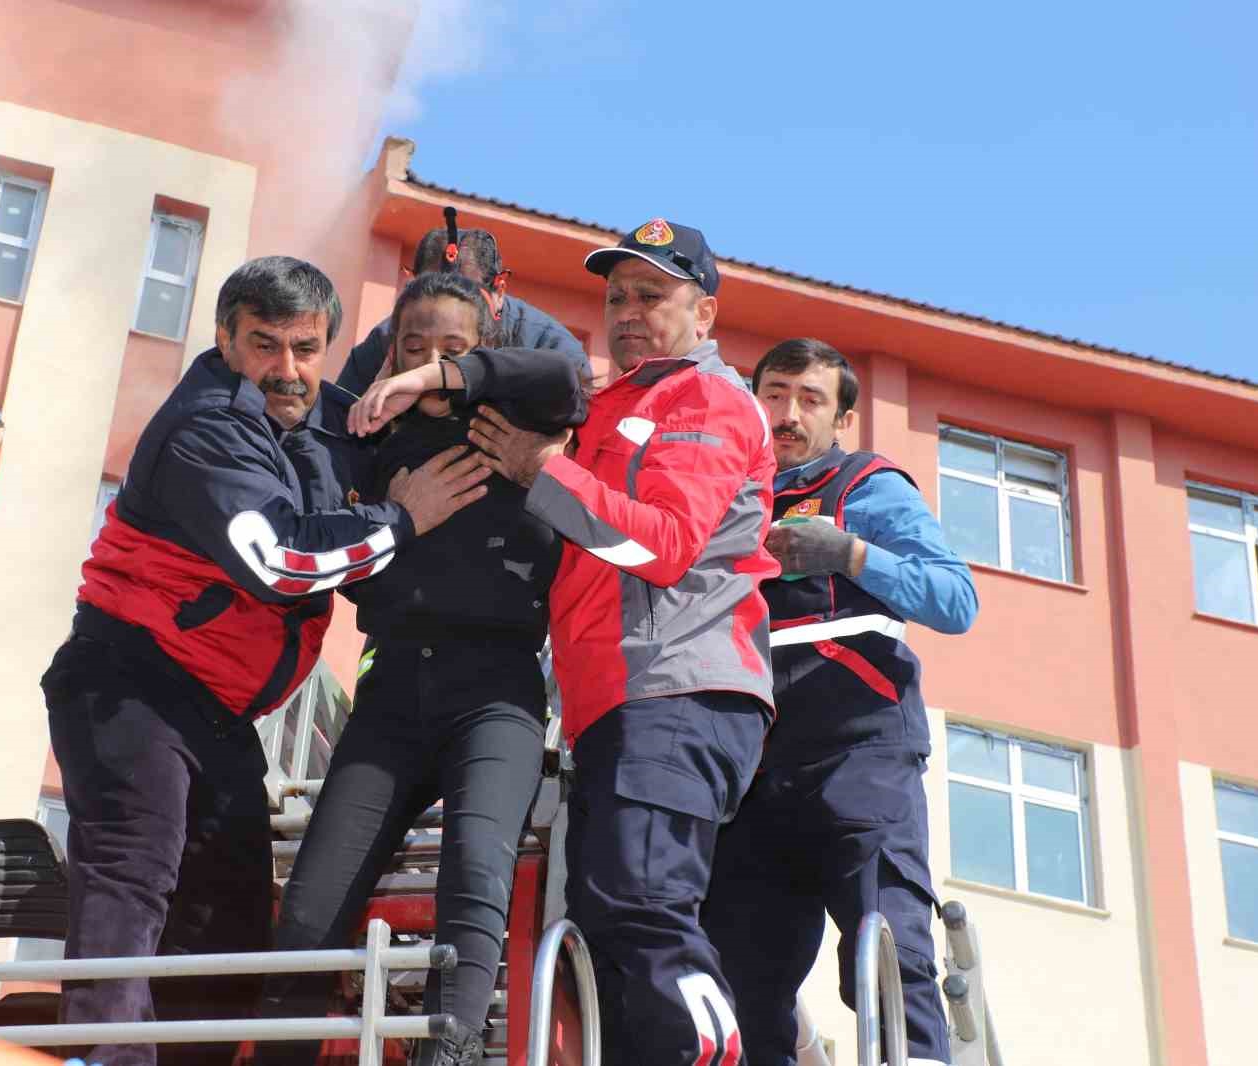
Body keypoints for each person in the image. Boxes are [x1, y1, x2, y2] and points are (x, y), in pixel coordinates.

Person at [39, 256, 489, 1066]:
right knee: (133, 876)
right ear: (225, 339)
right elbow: (278, 559)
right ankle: (101, 1056)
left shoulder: (318, 417)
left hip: (215, 710)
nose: (286, 369)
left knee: (232, 920)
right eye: (264, 344)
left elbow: (418, 428)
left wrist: (453, 387)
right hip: (130, 681)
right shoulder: (207, 425)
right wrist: (403, 520)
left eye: (306, 349)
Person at [259, 271, 588, 1066]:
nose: (429, 363)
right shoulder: (368, 439)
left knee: (476, 878)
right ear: (387, 353)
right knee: (311, 906)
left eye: (454, 349)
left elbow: (568, 377)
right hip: (394, 690)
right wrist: (397, 514)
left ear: (484, 355)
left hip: (497, 694)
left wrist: (445, 377)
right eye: (412, 346)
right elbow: (343, 565)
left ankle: (451, 1053)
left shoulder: (524, 418)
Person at [468, 219, 778, 1066]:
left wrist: (543, 469)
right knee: (610, 923)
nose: (629, 312)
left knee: (640, 905)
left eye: (653, 294)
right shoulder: (612, 406)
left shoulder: (706, 400)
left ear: (706, 314)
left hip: (674, 691)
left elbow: (663, 543)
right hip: (613, 702)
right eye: (616, 296)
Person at [706, 338, 978, 1066]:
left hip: (858, 750)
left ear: (842, 417)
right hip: (747, 771)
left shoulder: (868, 485)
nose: (788, 414)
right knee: (740, 983)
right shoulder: (720, 491)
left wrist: (848, 553)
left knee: (886, 949)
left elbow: (955, 600)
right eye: (775, 393)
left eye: (810, 398)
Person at [335, 221, 589, 395]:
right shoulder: (381, 343)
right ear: (409, 289)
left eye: (467, 299)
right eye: (415, 348)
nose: (446, 314)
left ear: (499, 291)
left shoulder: (551, 345)